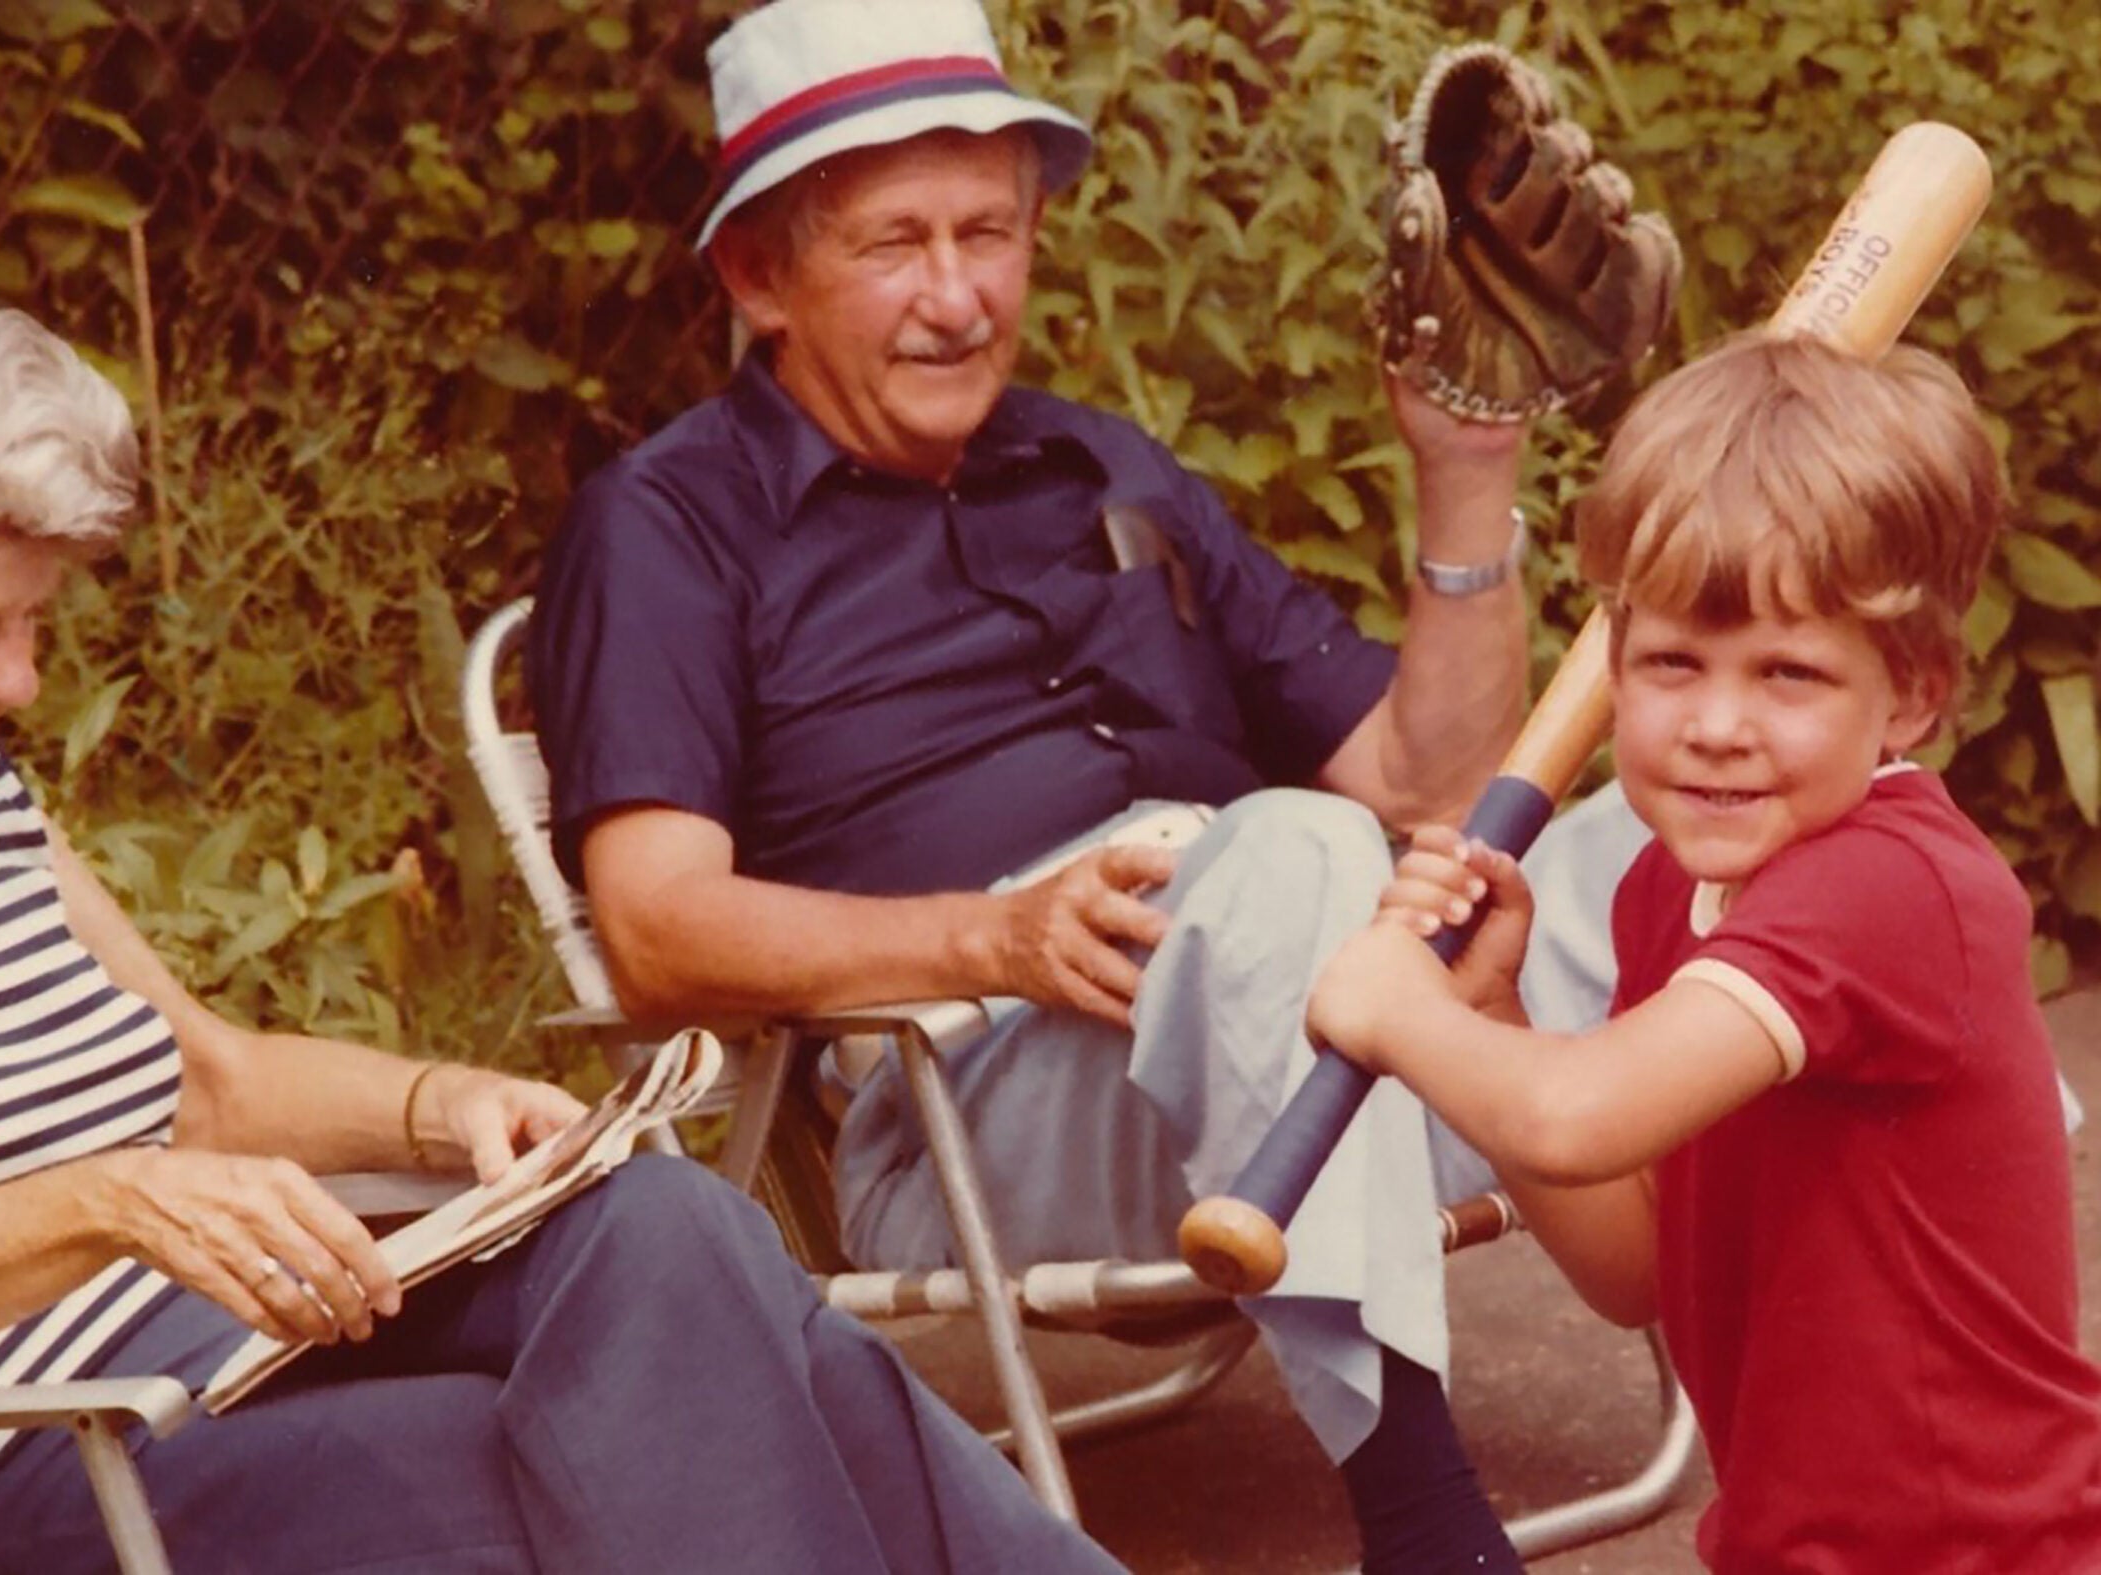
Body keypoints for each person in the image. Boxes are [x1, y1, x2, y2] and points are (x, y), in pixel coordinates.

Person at [0, 282, 1129, 1575]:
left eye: (32, 624)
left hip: (239, 1354)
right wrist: (110, 1200)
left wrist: (447, 1106)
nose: (17, 678)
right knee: (627, 1444)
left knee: (669, 1226)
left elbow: (211, 1081)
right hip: (21, 1460)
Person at [529, 0, 1648, 1568]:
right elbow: (654, 930)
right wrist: (990, 938)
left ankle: (1894, 1395)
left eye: (990, 230)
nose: (957, 294)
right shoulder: (668, 531)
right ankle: (1427, 1524)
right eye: (894, 242)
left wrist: (1466, 469)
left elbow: (1436, 782)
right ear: (758, 275)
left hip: (1316, 997)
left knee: (1692, 822)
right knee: (1297, 856)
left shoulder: (1104, 463)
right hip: (986, 1092)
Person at [1307, 333, 2101, 1570]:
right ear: (1613, 661)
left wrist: (1401, 1012)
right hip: (1791, 1543)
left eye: (1787, 674)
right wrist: (1494, 1015)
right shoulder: (1667, 883)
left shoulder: (1887, 887)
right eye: (1673, 662)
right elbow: (1635, 1269)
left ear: (1910, 698)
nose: (1717, 727)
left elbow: (1577, 1118)